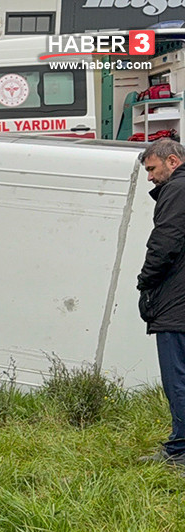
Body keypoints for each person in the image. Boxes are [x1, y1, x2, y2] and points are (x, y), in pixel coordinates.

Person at [137, 138, 185, 465]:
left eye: (152, 169)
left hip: (176, 305)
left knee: (177, 378)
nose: (150, 177)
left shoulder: (177, 191)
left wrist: (145, 283)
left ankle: (179, 451)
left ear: (172, 161)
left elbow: (165, 243)